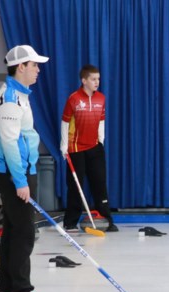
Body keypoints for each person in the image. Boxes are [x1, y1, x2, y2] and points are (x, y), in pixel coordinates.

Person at [0, 44, 53, 292]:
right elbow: (9, 142)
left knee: (13, 232)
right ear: (21, 66)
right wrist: (20, 180)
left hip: (20, 171)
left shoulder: (19, 96)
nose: (37, 69)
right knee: (24, 233)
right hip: (16, 174)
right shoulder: (9, 99)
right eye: (34, 65)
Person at [61, 64, 117, 232]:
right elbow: (65, 122)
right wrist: (64, 145)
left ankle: (106, 219)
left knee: (99, 184)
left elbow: (101, 120)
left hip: (95, 147)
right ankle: (70, 222)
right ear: (84, 80)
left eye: (98, 79)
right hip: (76, 148)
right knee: (76, 186)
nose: (97, 82)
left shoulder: (101, 98)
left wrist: (101, 140)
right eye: (93, 79)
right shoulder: (73, 99)